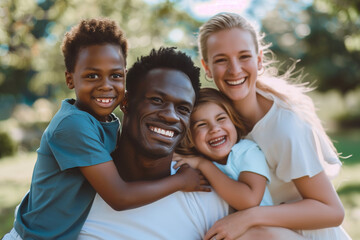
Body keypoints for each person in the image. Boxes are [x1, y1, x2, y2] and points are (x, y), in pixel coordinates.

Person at [3, 20, 207, 240]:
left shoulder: (105, 121)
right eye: (92, 75)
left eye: (116, 75)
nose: (106, 85)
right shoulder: (73, 125)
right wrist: (181, 181)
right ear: (70, 79)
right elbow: (119, 197)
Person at [195, 12, 351, 240]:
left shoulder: (285, 128)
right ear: (206, 67)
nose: (234, 69)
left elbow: (332, 211)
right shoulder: (218, 121)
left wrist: (249, 217)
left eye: (244, 56)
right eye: (221, 60)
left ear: (259, 60)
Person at [78, 47, 229, 240]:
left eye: (183, 109)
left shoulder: (207, 197)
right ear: (125, 102)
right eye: (157, 100)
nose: (170, 116)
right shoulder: (68, 190)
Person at [174, 87, 274, 210]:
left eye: (221, 119)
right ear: (190, 137)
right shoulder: (195, 159)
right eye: (202, 124)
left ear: (233, 121)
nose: (214, 128)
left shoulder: (247, 151)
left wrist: (203, 164)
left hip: (261, 225)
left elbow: (250, 200)